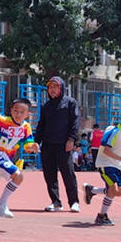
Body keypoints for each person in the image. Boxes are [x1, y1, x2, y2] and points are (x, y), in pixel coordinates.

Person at [83, 107, 121, 225]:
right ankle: (102, 216)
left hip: (117, 164)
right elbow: (106, 151)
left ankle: (92, 190)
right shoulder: (114, 131)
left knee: (120, 192)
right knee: (113, 189)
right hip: (105, 163)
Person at [35, 77, 81, 213]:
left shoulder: (70, 103)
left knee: (68, 174)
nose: (52, 90)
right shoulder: (46, 106)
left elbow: (75, 122)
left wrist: (71, 139)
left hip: (64, 144)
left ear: (61, 88)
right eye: (50, 87)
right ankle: (56, 202)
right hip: (48, 145)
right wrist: (36, 142)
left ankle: (74, 202)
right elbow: (41, 125)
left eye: (55, 87)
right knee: (50, 175)